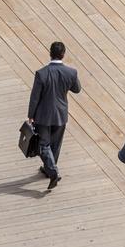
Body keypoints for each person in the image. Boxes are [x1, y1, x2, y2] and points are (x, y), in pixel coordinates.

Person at [28, 41, 81, 191]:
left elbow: (34, 97)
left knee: (43, 145)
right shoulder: (71, 72)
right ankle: (49, 168)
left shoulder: (41, 73)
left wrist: (31, 115)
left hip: (43, 116)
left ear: (50, 53)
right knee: (55, 145)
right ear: (63, 54)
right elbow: (77, 89)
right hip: (60, 114)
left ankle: (52, 172)